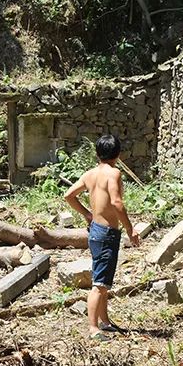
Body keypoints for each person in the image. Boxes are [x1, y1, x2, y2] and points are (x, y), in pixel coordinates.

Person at [64, 134, 140, 341]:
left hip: (96, 231)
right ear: (118, 154)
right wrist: (130, 228)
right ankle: (93, 328)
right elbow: (116, 202)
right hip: (107, 233)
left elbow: (69, 195)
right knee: (99, 285)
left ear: (97, 154)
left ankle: (105, 322)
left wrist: (87, 214)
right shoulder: (114, 173)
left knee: (104, 282)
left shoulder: (90, 174)